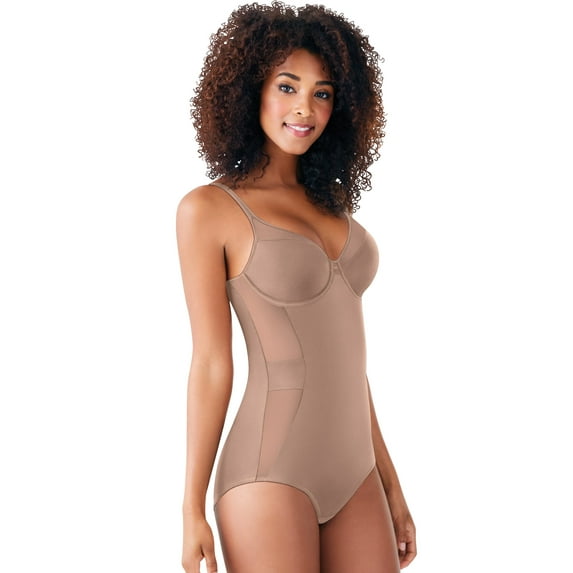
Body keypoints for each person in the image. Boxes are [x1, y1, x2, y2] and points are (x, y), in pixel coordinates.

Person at [176, 2, 417, 572]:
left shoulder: (333, 209)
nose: (305, 108)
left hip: (357, 474)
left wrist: (391, 484)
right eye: (287, 87)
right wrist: (191, 507)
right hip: (269, 469)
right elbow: (211, 362)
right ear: (250, 90)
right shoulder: (210, 209)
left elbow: (348, 365)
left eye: (322, 93)